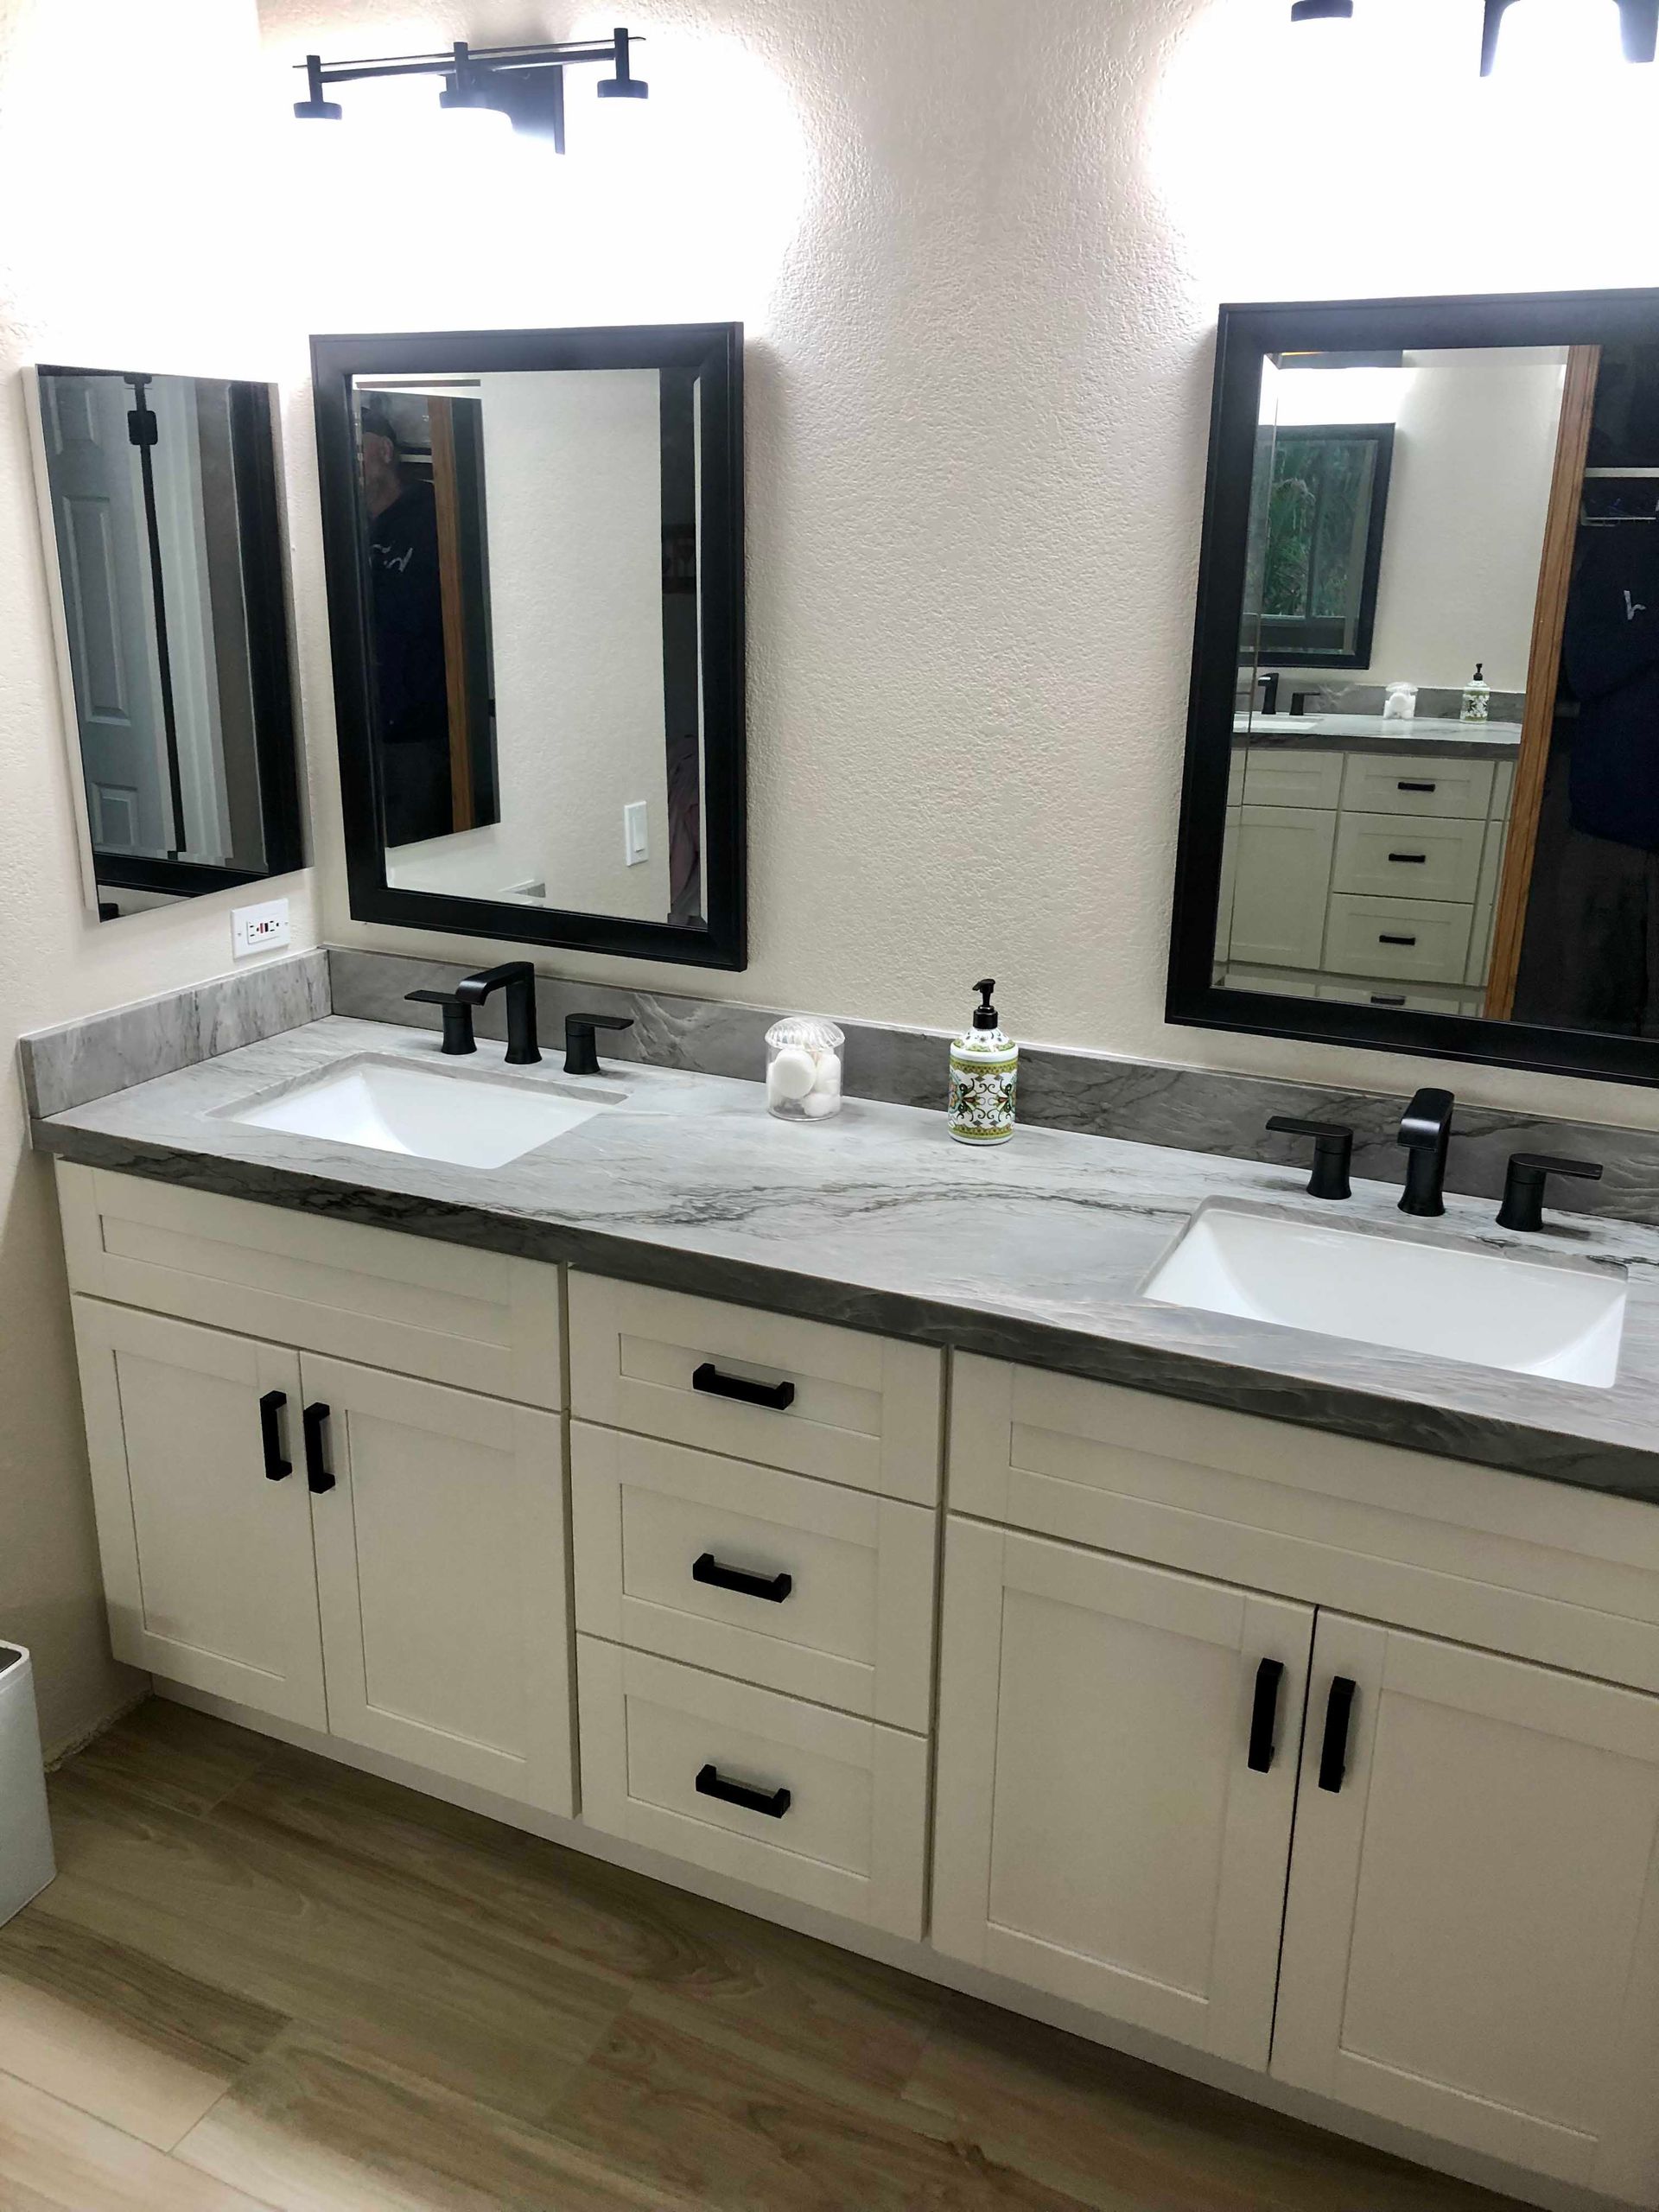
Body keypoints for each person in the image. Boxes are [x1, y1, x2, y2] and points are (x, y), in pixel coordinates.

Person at [359, 400, 453, 847]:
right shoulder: (339, 523)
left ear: (384, 450)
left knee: (418, 849)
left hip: (422, 725)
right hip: (359, 724)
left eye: (358, 450)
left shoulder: (433, 513)